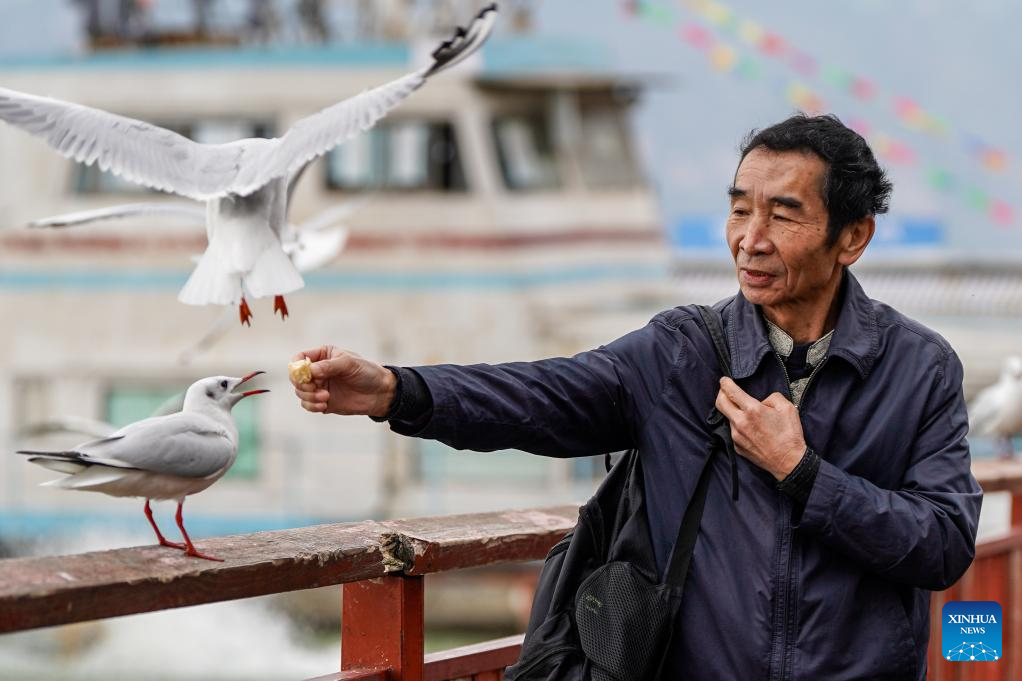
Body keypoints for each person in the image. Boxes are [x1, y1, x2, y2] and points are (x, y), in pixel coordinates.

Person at [290, 114, 981, 680]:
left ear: (852, 237)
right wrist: (396, 389)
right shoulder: (683, 353)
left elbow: (945, 545)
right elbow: (544, 395)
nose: (750, 239)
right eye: (740, 209)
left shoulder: (920, 368)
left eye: (783, 215)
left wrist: (805, 475)